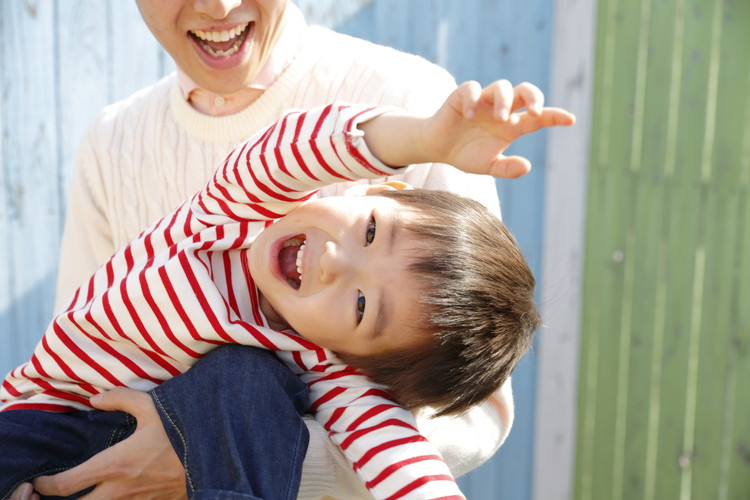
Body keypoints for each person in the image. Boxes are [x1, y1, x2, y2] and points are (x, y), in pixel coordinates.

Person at [17, 1, 532, 498]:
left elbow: (411, 448)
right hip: (52, 424)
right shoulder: (230, 205)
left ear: (357, 358)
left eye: (361, 305)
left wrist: (209, 452)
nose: (219, 6)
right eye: (370, 232)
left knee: (247, 379)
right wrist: (416, 138)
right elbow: (295, 150)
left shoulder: (324, 364)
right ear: (376, 188)